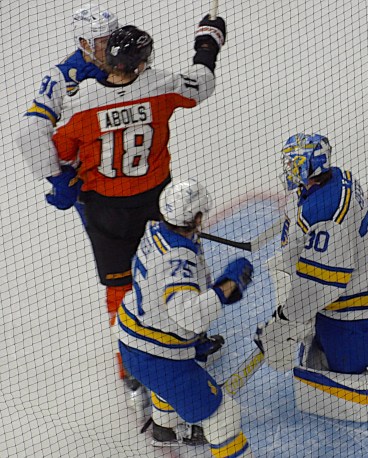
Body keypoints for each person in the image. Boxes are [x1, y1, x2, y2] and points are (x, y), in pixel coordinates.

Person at [47, 17, 227, 400]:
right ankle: (189, 337)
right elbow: (202, 85)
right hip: (156, 201)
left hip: (105, 209)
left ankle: (129, 363)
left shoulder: (83, 104)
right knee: (178, 264)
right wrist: (207, 42)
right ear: (142, 62)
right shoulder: (160, 86)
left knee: (119, 286)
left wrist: (64, 181)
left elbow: (59, 153)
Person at [117, 179, 254, 454]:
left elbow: (160, 295)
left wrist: (193, 340)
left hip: (134, 336)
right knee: (223, 416)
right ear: (195, 217)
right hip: (156, 354)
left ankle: (165, 427)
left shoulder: (154, 231)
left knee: (167, 383)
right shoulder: (178, 257)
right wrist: (228, 286)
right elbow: (189, 315)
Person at [254, 134, 368, 374]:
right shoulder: (340, 177)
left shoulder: (325, 213)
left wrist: (285, 321)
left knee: (341, 367)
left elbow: (321, 285)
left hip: (360, 309)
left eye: (294, 164)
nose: (289, 170)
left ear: (311, 166)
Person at [16, 4, 120, 224]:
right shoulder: (62, 77)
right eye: (104, 41)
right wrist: (58, 177)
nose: (113, 47)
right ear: (84, 43)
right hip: (92, 177)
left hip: (134, 165)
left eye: (114, 37)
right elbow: (30, 130)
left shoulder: (127, 58)